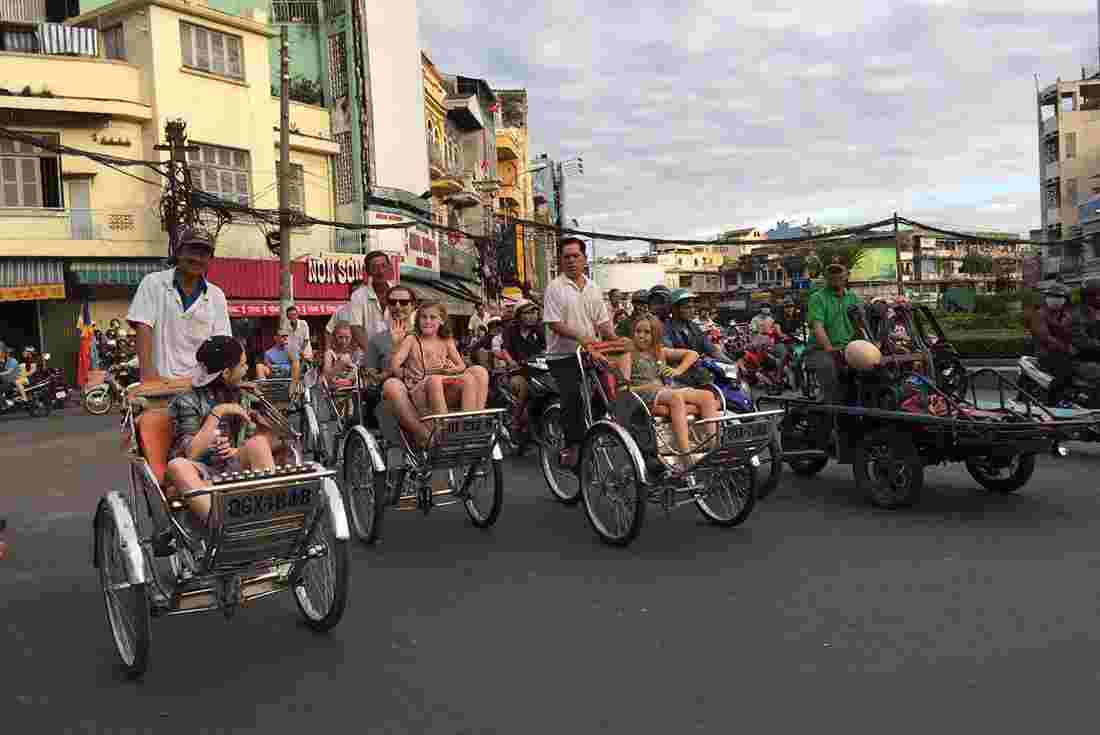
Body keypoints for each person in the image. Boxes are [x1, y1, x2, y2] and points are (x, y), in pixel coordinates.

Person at [165, 336, 276, 526]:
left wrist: (237, 449)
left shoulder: (245, 396)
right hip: (201, 473)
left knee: (258, 443)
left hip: (234, 467)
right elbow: (190, 453)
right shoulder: (186, 401)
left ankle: (266, 520)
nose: (246, 369)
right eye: (242, 365)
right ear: (226, 372)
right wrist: (219, 411)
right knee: (177, 465)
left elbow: (279, 441)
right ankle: (221, 526)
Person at [543, 237, 615, 468]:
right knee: (572, 396)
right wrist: (581, 338)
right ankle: (572, 446)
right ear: (561, 261)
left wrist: (615, 340)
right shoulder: (555, 287)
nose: (572, 260)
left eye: (576, 256)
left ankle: (589, 427)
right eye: (567, 257)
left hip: (589, 353)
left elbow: (603, 322)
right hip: (562, 357)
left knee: (610, 390)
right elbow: (554, 323)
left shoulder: (593, 287)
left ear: (585, 259)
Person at [127, 227, 232, 383]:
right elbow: (143, 326)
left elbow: (222, 341)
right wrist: (148, 373)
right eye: (192, 251)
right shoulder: (153, 283)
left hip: (202, 385)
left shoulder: (216, 295)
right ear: (178, 253)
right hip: (161, 381)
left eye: (203, 254)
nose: (197, 258)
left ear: (210, 259)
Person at [620, 315, 719, 469]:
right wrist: (649, 386)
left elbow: (692, 354)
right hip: (642, 394)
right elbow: (623, 390)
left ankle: (714, 447)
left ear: (655, 335)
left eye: (647, 332)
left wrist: (676, 371)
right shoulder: (628, 355)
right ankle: (685, 453)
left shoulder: (659, 352)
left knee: (707, 396)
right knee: (675, 396)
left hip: (663, 390)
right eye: (638, 331)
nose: (641, 336)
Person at [391, 300, 489, 419]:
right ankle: (444, 426)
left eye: (432, 317)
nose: (428, 321)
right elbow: (396, 365)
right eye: (423, 317)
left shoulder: (446, 340)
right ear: (418, 320)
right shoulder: (411, 339)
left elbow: (461, 366)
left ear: (441, 321)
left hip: (442, 382)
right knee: (435, 380)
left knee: (477, 372)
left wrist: (450, 371)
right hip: (420, 387)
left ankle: (473, 420)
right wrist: (397, 346)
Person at [805, 260, 861, 403]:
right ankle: (830, 415)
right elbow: (818, 326)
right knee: (830, 374)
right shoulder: (817, 298)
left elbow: (861, 324)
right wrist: (829, 348)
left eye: (839, 276)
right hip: (821, 350)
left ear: (846, 276)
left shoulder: (853, 298)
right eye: (832, 277)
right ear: (826, 278)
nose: (836, 280)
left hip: (848, 348)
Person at [327, 250, 391, 356]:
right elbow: (356, 328)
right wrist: (375, 355)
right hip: (368, 357)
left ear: (389, 267)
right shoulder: (358, 296)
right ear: (367, 271)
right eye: (375, 267)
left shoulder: (399, 293)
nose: (380, 271)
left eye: (383, 266)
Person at [501, 301, 546, 434]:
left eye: (534, 312)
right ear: (519, 315)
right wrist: (511, 362)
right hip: (518, 372)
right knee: (524, 387)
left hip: (538, 371)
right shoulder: (510, 330)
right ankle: (515, 420)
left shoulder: (539, 329)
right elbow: (505, 350)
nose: (532, 315)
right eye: (528, 312)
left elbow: (546, 348)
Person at [663, 288, 731, 362]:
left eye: (693, 307)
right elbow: (669, 356)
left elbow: (712, 349)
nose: (692, 311)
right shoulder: (665, 329)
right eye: (687, 307)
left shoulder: (694, 327)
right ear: (674, 309)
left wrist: (730, 363)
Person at [1036, 283, 1075, 406]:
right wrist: (1066, 347)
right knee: (1064, 368)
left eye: (1058, 297)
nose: (1054, 299)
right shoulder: (1040, 315)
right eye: (1051, 296)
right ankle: (1053, 401)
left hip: (1066, 351)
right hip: (1047, 354)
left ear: (1065, 300)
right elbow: (1045, 337)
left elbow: (1075, 333)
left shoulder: (1067, 315)